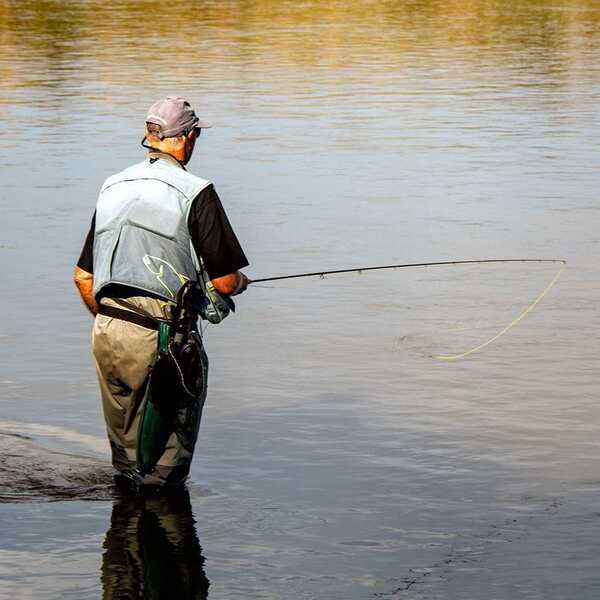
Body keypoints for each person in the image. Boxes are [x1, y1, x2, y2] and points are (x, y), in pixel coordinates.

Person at [74, 96, 249, 490]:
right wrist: (239, 283)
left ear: (150, 137)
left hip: (106, 331)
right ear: (185, 137)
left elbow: (83, 277)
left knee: (127, 462)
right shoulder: (195, 190)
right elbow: (223, 282)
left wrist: (114, 320)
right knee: (165, 467)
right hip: (162, 338)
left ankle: (123, 543)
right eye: (196, 133)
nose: (196, 140)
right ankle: (163, 542)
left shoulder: (112, 186)